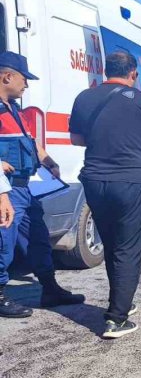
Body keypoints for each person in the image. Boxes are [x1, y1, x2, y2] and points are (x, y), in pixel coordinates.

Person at [69, 51, 141, 339]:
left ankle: (122, 302)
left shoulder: (84, 97)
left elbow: (76, 139)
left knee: (113, 244)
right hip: (131, 183)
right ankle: (116, 319)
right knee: (129, 248)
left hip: (95, 182)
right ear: (134, 74)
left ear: (106, 71)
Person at [0, 51, 84, 319]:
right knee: (3, 242)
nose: (26, 84)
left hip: (23, 189)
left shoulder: (14, 110)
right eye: (24, 79)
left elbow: (30, 141)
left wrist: (48, 161)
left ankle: (50, 289)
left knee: (38, 237)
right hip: (5, 189)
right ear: (7, 77)